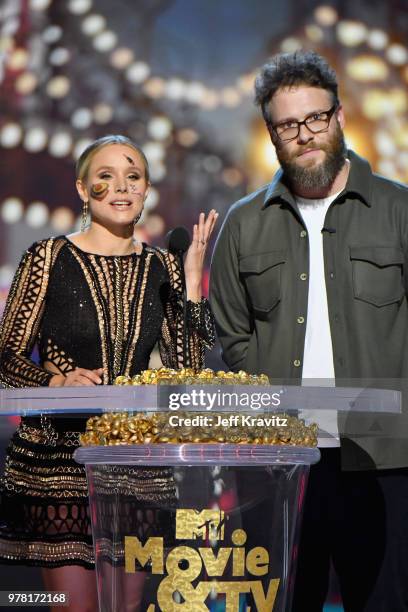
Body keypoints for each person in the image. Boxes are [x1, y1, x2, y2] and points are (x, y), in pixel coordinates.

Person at [210, 50, 408, 611]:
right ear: (273, 134)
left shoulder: (398, 210)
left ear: (339, 116)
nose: (305, 134)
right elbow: (232, 335)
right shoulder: (245, 222)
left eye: (315, 118)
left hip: (386, 458)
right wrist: (274, 405)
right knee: (282, 602)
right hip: (281, 465)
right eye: (288, 125)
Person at [0, 134, 218, 611]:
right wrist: (55, 382)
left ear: (145, 190)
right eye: (106, 177)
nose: (121, 188)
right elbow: (6, 358)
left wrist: (193, 286)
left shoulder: (163, 266)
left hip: (134, 465)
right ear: (83, 189)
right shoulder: (48, 258)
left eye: (133, 177)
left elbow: (186, 371)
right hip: (59, 464)